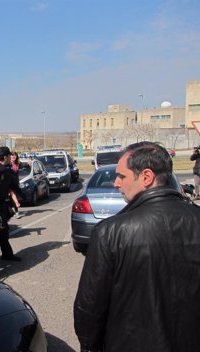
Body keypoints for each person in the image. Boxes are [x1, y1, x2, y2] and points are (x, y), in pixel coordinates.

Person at [74, 141, 200, 352]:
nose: (116, 183)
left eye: (121, 176)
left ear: (146, 177)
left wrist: (90, 347)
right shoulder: (112, 231)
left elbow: (89, 309)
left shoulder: (110, 232)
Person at [0, 146, 24, 261]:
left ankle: (6, 254)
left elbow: (12, 186)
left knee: (3, 230)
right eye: (9, 156)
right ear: (5, 157)